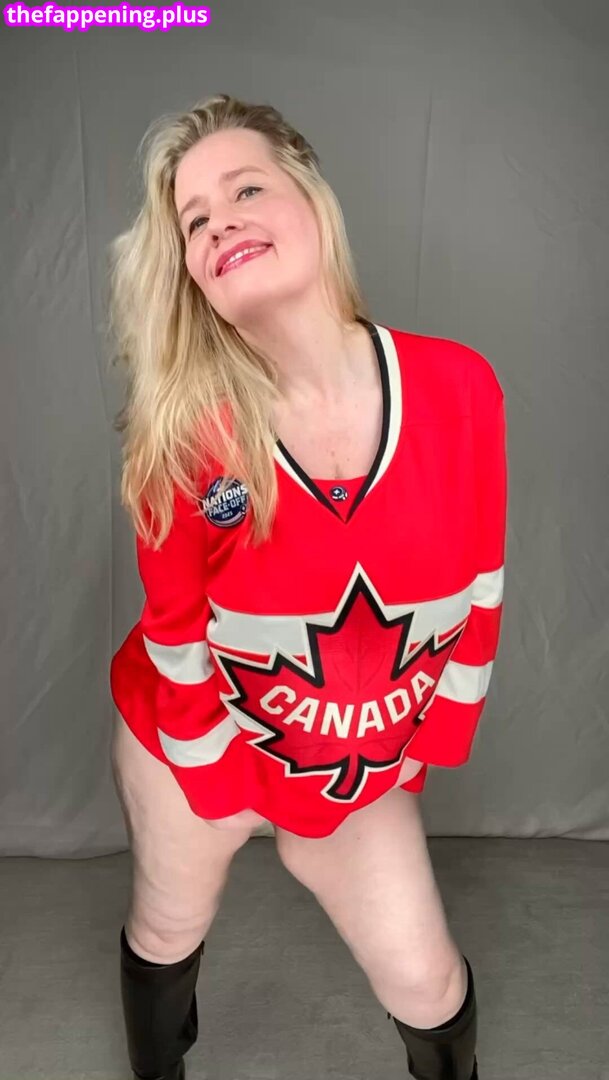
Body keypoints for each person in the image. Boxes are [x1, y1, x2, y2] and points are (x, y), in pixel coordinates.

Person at [107, 93, 507, 1080]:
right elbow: (175, 634)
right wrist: (218, 786)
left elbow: (481, 586)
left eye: (246, 189)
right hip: (196, 747)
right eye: (195, 220)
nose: (220, 223)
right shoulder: (187, 430)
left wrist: (420, 752)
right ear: (189, 271)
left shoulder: (459, 386)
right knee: (168, 925)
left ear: (312, 198)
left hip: (350, 760)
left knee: (427, 981)